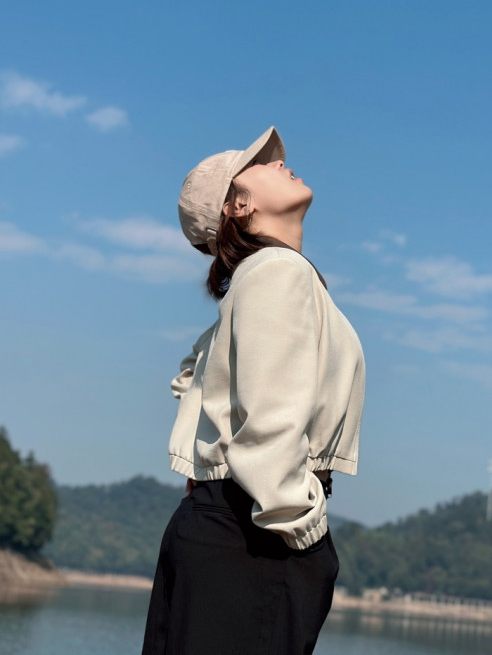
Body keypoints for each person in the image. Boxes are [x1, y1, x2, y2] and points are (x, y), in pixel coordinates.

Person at [142, 127, 365, 655]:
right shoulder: (277, 272)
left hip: (228, 527)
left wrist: (207, 476)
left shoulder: (260, 277)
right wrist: (306, 534)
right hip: (257, 535)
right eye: (259, 164)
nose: (280, 162)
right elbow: (268, 422)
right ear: (237, 207)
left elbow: (193, 376)